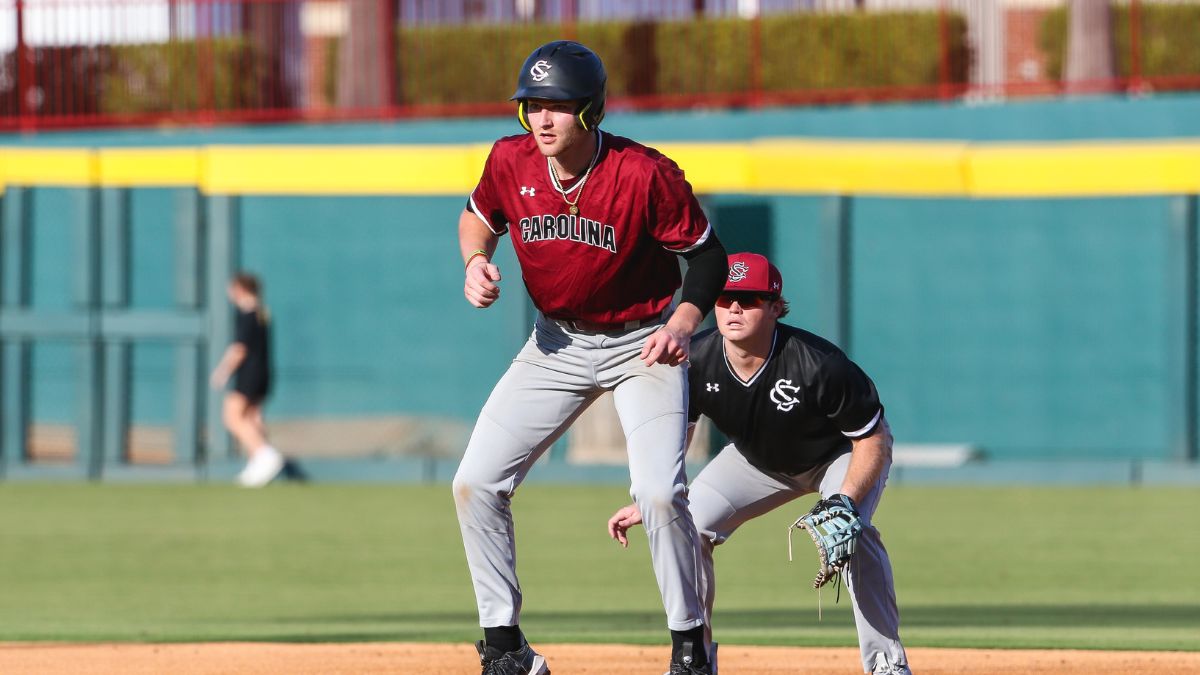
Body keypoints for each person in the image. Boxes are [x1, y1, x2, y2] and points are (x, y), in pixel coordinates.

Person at [453, 40, 728, 675]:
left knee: (660, 493)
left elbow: (708, 257)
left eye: (558, 107)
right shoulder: (508, 160)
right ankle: (505, 649)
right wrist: (475, 261)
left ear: (592, 112)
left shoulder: (644, 174)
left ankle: (690, 648)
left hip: (643, 345)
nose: (543, 120)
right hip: (556, 343)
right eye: (532, 108)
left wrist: (685, 323)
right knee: (474, 482)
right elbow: (476, 218)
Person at [607, 252, 912, 675]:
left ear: (774, 306)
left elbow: (871, 437)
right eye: (725, 297)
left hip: (836, 457)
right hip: (756, 462)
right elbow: (680, 431)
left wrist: (846, 500)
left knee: (850, 532)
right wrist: (654, 498)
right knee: (687, 527)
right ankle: (696, 660)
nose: (733, 307)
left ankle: (886, 664)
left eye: (748, 298)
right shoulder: (696, 358)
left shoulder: (819, 364)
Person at [210, 272, 284, 488]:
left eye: (232, 289)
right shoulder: (263, 313)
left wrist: (222, 372)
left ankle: (265, 455)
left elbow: (239, 349)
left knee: (232, 416)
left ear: (240, 289)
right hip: (263, 373)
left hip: (250, 374)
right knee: (252, 417)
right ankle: (257, 467)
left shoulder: (249, 314)